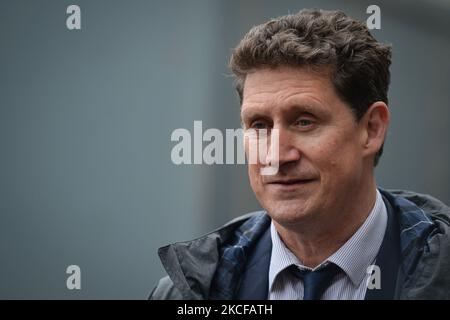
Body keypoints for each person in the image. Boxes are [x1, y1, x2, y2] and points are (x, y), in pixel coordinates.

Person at [150, 9, 450, 300]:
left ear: (371, 129)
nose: (276, 156)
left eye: (304, 121)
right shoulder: (186, 291)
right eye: (259, 125)